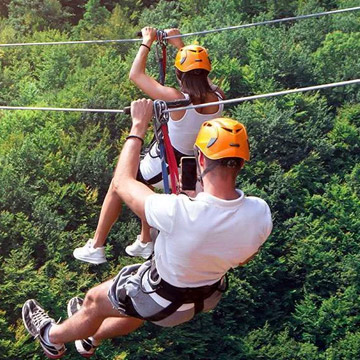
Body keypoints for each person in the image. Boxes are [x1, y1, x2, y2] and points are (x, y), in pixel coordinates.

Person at [22, 99, 272, 358]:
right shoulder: (260, 213)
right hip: (203, 299)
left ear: (199, 158)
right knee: (135, 306)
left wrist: (138, 125)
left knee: (94, 301)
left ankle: (51, 337)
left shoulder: (179, 211)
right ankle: (91, 338)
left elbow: (122, 182)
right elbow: (244, 257)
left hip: (161, 299)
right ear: (241, 163)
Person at [73, 27, 225, 263]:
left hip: (168, 162)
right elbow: (201, 77)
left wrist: (147, 41)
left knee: (119, 182)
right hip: (194, 166)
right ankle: (145, 240)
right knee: (145, 185)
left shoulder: (176, 99)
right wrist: (179, 45)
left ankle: (97, 245)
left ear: (178, 73)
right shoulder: (219, 97)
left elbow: (136, 75)